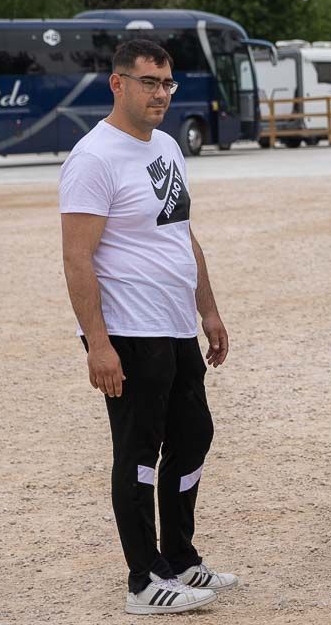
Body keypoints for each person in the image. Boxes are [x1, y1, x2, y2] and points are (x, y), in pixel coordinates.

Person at [60, 39, 235, 615]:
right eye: (149, 83)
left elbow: (182, 234)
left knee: (193, 437)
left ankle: (178, 557)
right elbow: (77, 258)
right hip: (129, 332)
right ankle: (142, 580)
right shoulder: (94, 159)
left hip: (176, 324)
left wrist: (207, 310)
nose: (161, 94)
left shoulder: (166, 145)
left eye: (167, 84)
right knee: (138, 452)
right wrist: (98, 344)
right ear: (118, 84)